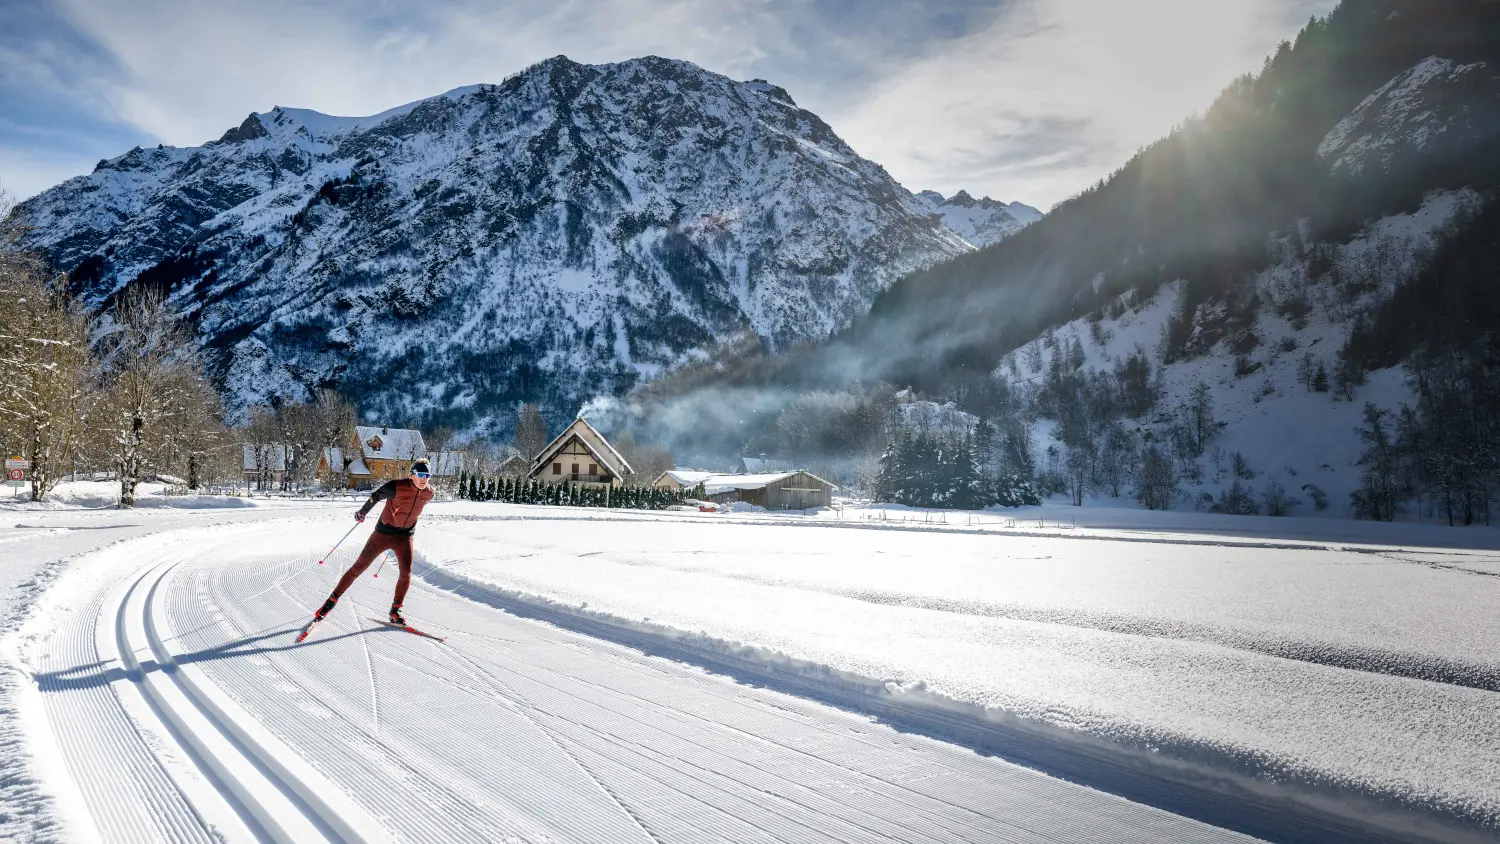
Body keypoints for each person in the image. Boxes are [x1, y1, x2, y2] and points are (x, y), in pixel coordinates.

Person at [313, 460, 436, 626]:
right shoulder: (395, 486)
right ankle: (330, 603)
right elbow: (376, 496)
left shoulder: (429, 492)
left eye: (427, 476)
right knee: (358, 568)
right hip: (384, 533)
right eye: (421, 475)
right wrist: (362, 512)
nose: (424, 479)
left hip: (405, 536)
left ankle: (395, 611)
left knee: (406, 572)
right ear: (412, 475)